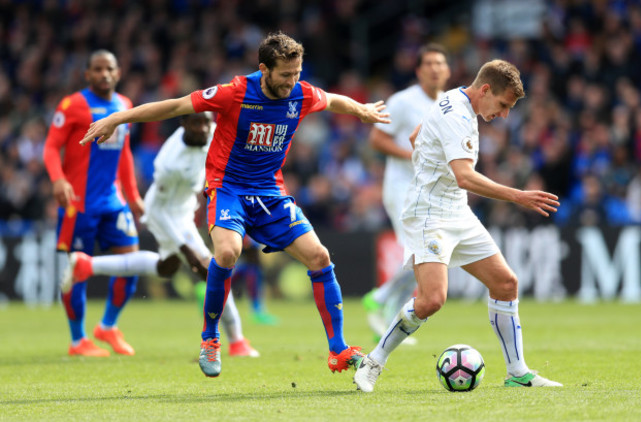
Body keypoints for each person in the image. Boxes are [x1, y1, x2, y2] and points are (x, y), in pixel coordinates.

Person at [79, 31, 390, 378]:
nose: (293, 81)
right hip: (227, 188)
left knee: (320, 257)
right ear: (264, 69)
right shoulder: (235, 92)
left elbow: (332, 100)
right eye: (285, 74)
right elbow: (175, 106)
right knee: (227, 253)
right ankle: (211, 338)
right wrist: (117, 118)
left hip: (270, 193)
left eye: (297, 73)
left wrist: (361, 110)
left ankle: (338, 349)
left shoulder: (301, 93)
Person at [353, 59, 563, 392]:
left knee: (506, 283)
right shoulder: (458, 116)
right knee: (432, 299)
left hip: (457, 212)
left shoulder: (453, 98)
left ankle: (518, 372)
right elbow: (464, 177)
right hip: (429, 214)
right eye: (504, 105)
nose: (505, 114)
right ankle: (373, 361)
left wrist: (427, 161)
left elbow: (415, 134)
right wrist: (518, 196)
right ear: (485, 90)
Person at [62, 112, 259, 358]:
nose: (203, 128)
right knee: (212, 271)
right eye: (196, 123)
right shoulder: (169, 161)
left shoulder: (211, 135)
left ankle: (87, 265)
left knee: (166, 268)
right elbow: (161, 212)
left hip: (184, 211)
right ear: (183, 124)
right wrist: (186, 250)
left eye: (206, 122)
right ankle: (237, 341)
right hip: (163, 214)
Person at [43, 50, 143, 357]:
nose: (104, 74)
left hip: (114, 201)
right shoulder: (72, 105)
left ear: (118, 72)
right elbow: (50, 147)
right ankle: (78, 341)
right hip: (79, 203)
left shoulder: (125, 105)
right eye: (97, 69)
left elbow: (124, 153)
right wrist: (58, 179)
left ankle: (108, 326)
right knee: (77, 269)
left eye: (109, 69)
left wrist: (133, 193)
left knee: (131, 262)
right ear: (87, 74)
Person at [361, 43, 451, 344]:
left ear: (447, 70)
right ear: (419, 70)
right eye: (429, 63)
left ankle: (386, 313)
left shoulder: (448, 103)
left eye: (440, 63)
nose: (435, 68)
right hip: (401, 188)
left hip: (429, 191)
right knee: (420, 251)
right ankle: (382, 297)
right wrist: (411, 155)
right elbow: (376, 138)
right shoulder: (402, 101)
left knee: (424, 254)